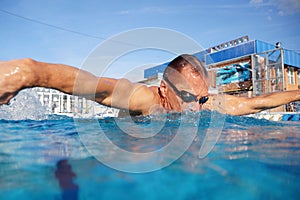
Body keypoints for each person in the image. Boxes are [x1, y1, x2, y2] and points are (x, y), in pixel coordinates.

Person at [0, 54, 299, 116]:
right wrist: (30, 72)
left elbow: (259, 101)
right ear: (163, 89)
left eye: (202, 99)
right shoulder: (145, 99)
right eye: (186, 97)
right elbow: (97, 86)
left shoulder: (207, 105)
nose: (196, 107)